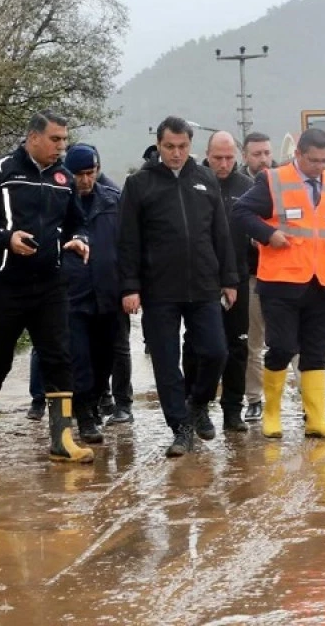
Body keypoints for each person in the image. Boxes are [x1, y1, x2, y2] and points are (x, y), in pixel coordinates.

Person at [0, 109, 93, 464]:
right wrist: (6, 238)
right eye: (55, 139)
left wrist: (79, 240)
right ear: (33, 137)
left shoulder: (64, 178)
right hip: (2, 283)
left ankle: (62, 438)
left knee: (59, 356)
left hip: (49, 284)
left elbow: (78, 223)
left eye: (64, 139)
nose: (61, 146)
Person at [233, 128, 325, 439]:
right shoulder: (273, 180)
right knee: (281, 348)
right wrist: (268, 234)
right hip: (281, 283)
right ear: (298, 155)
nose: (319, 166)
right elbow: (240, 211)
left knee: (316, 352)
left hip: (322, 283)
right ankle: (272, 415)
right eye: (313, 160)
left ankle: (316, 420)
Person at [118, 116, 238, 457]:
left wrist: (229, 278)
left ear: (190, 145)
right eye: (169, 147)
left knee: (215, 351)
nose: (176, 153)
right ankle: (180, 427)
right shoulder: (139, 184)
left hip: (203, 284)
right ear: (158, 145)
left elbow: (221, 233)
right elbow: (128, 240)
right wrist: (129, 286)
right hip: (159, 289)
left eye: (182, 146)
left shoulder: (205, 179)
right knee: (166, 362)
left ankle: (198, 403)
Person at [24, 143, 124, 443]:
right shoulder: (54, 202)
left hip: (107, 294)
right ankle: (83, 415)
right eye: (79, 174)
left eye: (90, 173)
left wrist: (130, 285)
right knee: (78, 358)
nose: (85, 180)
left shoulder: (113, 201)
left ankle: (94, 403)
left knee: (105, 357)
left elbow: (128, 245)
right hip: (70, 295)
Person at [182, 131, 253, 433]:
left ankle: (233, 410)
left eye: (229, 158)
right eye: (217, 158)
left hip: (238, 277)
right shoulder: (192, 183)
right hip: (201, 279)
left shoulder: (247, 187)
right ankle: (196, 404)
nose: (223, 164)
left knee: (237, 345)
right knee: (198, 345)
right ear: (207, 155)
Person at [240, 131, 275, 423]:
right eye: (256, 154)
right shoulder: (238, 187)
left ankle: (309, 398)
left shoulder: (283, 184)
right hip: (251, 274)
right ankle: (254, 399)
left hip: (284, 275)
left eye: (266, 153)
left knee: (292, 340)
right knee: (254, 342)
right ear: (245, 156)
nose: (263, 159)